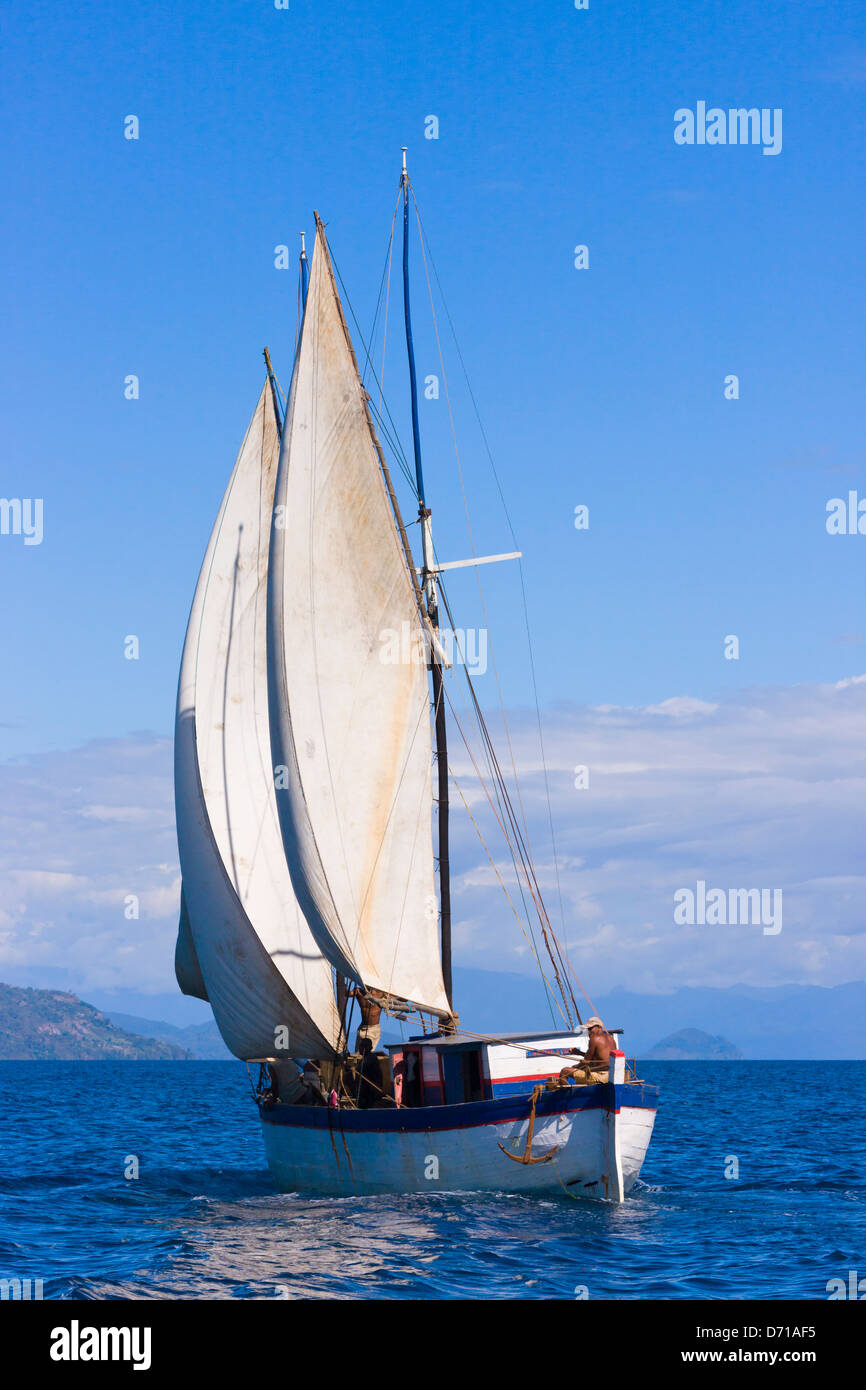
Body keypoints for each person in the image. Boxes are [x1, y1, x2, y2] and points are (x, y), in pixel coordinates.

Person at [348, 986, 384, 1052]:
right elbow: (348, 994)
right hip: (362, 1028)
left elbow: (399, 998)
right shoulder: (359, 991)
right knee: (358, 1053)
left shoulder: (381, 993)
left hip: (373, 1030)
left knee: (366, 1053)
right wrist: (343, 986)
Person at [356, 1038, 383, 1109]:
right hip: (364, 1093)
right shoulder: (363, 1059)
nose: (361, 1048)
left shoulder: (371, 1057)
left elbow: (363, 1069)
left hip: (370, 1093)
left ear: (370, 1047)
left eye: (364, 1046)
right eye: (360, 1046)